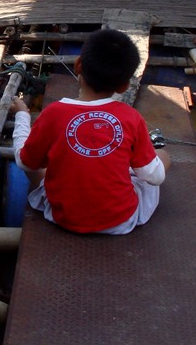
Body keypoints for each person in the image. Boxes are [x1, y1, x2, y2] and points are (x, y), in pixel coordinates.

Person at [10, 28, 170, 235]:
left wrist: (22, 115)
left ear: (78, 65)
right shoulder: (131, 117)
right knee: (162, 156)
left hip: (62, 217)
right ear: (124, 86)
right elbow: (155, 177)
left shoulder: (54, 113)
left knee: (31, 158)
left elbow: (25, 162)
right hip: (120, 222)